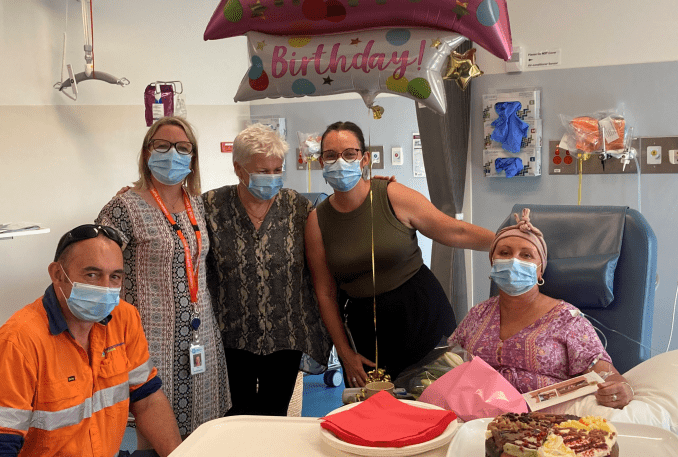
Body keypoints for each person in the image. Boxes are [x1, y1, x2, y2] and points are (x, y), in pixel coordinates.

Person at [0, 224, 182, 457]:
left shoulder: (124, 318)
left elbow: (146, 399)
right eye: (92, 274)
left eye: (115, 277)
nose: (105, 288)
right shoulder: (16, 344)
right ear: (57, 274)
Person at [305, 121, 495, 387]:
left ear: (364, 159)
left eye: (349, 153)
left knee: (438, 405)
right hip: (366, 330)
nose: (340, 161)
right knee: (377, 415)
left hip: (422, 315)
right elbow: (324, 293)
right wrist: (345, 354)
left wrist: (503, 242)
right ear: (321, 161)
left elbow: (454, 231)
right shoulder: (317, 221)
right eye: (331, 155)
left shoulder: (391, 195)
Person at [96, 116, 230, 438]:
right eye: (163, 145)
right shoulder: (123, 207)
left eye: (183, 148)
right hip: (149, 339)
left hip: (201, 337)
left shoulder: (196, 204)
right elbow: (98, 268)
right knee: (153, 428)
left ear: (193, 158)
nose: (173, 154)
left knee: (203, 432)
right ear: (147, 153)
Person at [203, 123, 332, 416]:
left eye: (278, 170)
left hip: (285, 336)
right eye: (264, 171)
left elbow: (318, 268)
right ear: (239, 168)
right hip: (231, 336)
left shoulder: (296, 206)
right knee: (236, 415)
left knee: (275, 414)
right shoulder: (211, 206)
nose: (273, 178)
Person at [448, 208, 634, 408]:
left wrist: (623, 389)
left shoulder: (566, 319)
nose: (514, 261)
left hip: (544, 422)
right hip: (476, 417)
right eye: (505, 253)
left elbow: (606, 374)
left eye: (526, 255)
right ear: (493, 262)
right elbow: (449, 362)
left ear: (540, 271)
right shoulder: (478, 314)